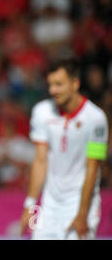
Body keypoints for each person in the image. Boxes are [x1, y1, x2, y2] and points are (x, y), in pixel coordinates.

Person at [20, 59, 109, 239]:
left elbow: (93, 167)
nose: (53, 90)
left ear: (75, 83)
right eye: (51, 84)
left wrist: (83, 214)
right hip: (49, 205)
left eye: (59, 84)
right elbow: (40, 160)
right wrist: (30, 205)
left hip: (81, 203)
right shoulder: (41, 112)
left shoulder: (96, 118)